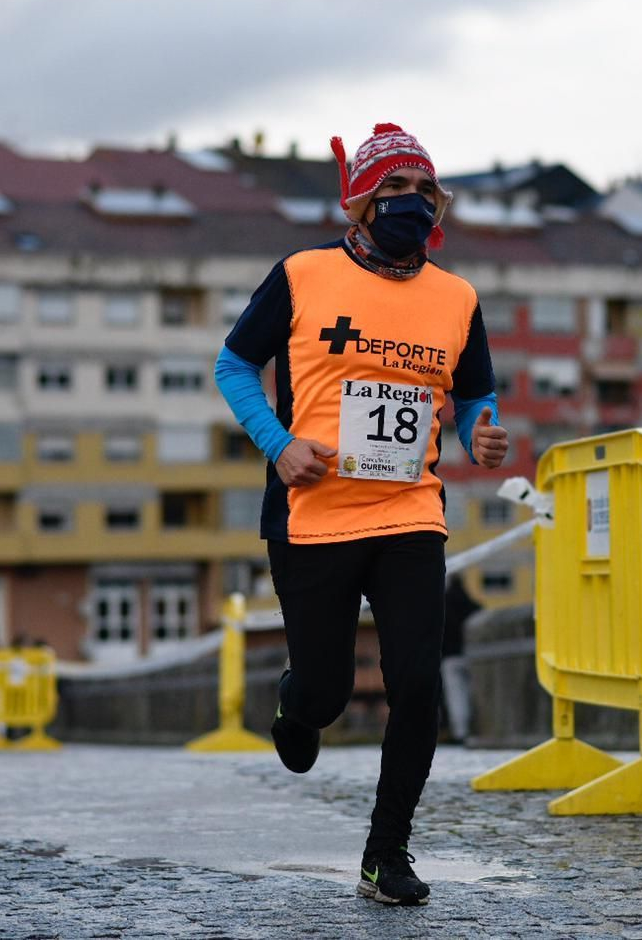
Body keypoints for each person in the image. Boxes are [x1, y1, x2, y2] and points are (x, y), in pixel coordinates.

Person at [215, 123, 508, 906]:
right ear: (361, 203)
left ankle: (388, 853)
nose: (411, 203)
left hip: (410, 510)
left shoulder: (457, 296)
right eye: (394, 190)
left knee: (417, 683)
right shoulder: (304, 274)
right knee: (328, 692)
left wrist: (482, 428)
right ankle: (297, 701)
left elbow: (476, 389)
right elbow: (235, 363)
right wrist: (278, 445)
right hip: (312, 513)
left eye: (424, 191)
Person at [440, 574, 483, 743]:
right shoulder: (473, 606)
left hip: (450, 657)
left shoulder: (443, 606)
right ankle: (478, 728)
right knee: (475, 694)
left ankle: (461, 732)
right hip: (473, 656)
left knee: (455, 696)